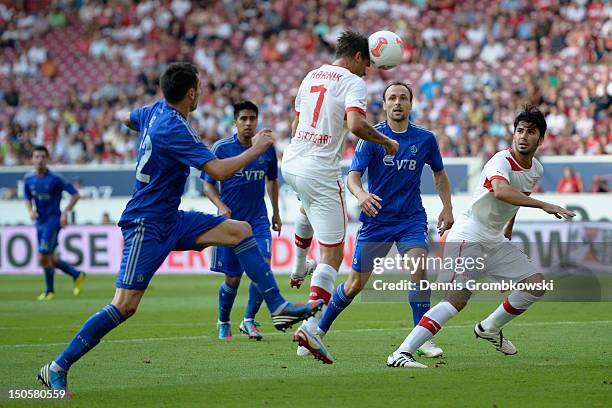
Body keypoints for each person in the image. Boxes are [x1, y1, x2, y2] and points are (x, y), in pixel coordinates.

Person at [37, 62, 323, 394]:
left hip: (171, 218)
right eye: (199, 89)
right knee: (125, 305)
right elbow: (217, 171)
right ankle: (57, 366)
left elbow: (125, 118)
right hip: (146, 224)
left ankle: (277, 306)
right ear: (191, 93)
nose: (201, 93)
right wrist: (257, 148)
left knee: (240, 230)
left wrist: (144, 134)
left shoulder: (152, 112)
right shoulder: (175, 127)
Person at [386, 105, 576, 368]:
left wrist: (507, 234)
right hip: (469, 236)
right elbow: (501, 192)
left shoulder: (536, 170)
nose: (523, 136)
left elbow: (515, 203)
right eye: (519, 131)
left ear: (541, 139)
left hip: (495, 240)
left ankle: (489, 327)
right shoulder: (500, 161)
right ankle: (401, 353)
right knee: (457, 299)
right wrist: (545, 205)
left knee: (535, 284)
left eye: (530, 132)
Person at [294, 82, 455, 363]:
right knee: (354, 284)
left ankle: (422, 338)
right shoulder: (371, 137)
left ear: (410, 104)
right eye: (392, 98)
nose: (397, 102)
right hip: (376, 221)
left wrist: (447, 207)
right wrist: (361, 194)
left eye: (403, 98)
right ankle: (317, 329)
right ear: (384, 103)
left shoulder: (425, 139)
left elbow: (439, 174)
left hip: (410, 219)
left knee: (419, 268)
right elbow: (353, 176)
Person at [280, 30, 399, 355]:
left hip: (291, 162)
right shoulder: (352, 82)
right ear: (359, 57)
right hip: (319, 169)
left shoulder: (311, 75)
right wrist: (387, 142)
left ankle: (298, 265)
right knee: (332, 254)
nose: (368, 72)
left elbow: (296, 124)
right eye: (368, 65)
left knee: (308, 208)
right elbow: (356, 125)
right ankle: (310, 327)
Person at [203, 100, 281, 341]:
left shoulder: (266, 147)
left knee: (262, 269)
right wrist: (220, 205)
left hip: (257, 220)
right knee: (233, 279)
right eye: (243, 119)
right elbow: (207, 184)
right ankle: (223, 321)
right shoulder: (222, 148)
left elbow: (272, 180)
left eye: (252, 119)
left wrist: (275, 212)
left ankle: (248, 320)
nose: (248, 123)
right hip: (229, 223)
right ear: (235, 122)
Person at [24, 145, 85, 300]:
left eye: (43, 157)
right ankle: (76, 274)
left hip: (53, 221)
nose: (40, 160)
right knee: (50, 259)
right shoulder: (28, 179)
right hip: (40, 221)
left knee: (42, 256)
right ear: (32, 159)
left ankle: (50, 291)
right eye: (36, 156)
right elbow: (27, 198)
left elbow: (75, 195)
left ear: (47, 159)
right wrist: (31, 211)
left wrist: (65, 212)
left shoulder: (55, 178)